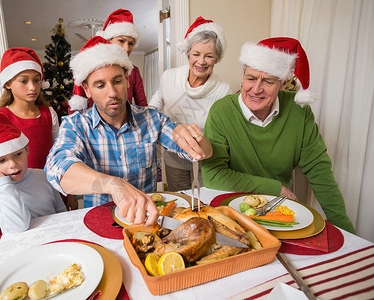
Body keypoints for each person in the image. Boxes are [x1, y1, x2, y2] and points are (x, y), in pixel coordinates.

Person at [46, 36, 212, 226]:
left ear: (127, 80)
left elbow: (204, 152)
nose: (112, 93)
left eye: (117, 81)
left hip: (148, 218)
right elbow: (57, 168)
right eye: (100, 85)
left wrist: (194, 138)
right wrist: (114, 185)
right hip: (102, 220)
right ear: (87, 90)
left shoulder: (151, 118)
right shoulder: (75, 125)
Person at [201, 37, 355, 233]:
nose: (256, 89)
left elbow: (319, 170)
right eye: (250, 78)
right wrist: (276, 188)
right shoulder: (221, 111)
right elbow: (214, 176)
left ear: (283, 83)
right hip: (233, 212)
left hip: (279, 211)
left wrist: (345, 230)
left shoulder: (299, 111)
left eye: (268, 81)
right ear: (242, 77)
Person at [149, 17, 232, 191]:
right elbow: (154, 106)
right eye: (196, 54)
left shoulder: (223, 90)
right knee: (180, 205)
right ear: (188, 53)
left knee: (206, 206)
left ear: (216, 59)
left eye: (209, 56)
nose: (201, 61)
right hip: (173, 159)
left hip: (207, 162)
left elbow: (224, 131)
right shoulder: (169, 77)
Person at [0, 110, 66, 236]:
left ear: (26, 149)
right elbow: (18, 227)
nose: (12, 164)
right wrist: (2, 185)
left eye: (18, 154)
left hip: (56, 241)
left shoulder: (43, 176)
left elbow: (61, 212)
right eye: (1, 160)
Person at [69, 9, 147, 111]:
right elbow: (75, 108)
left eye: (131, 43)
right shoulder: (91, 68)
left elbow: (142, 105)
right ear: (108, 40)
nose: (126, 48)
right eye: (121, 41)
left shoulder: (134, 71)